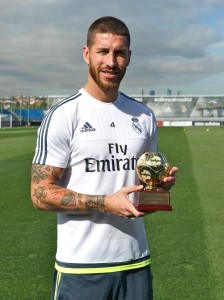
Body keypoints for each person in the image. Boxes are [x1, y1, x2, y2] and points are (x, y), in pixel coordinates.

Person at [31, 16, 178, 300]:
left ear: (129, 57)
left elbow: (139, 184)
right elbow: (39, 193)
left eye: (119, 53)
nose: (111, 61)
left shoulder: (144, 116)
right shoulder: (63, 116)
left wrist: (159, 188)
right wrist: (106, 203)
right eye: (103, 51)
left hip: (136, 262)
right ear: (87, 54)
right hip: (81, 268)